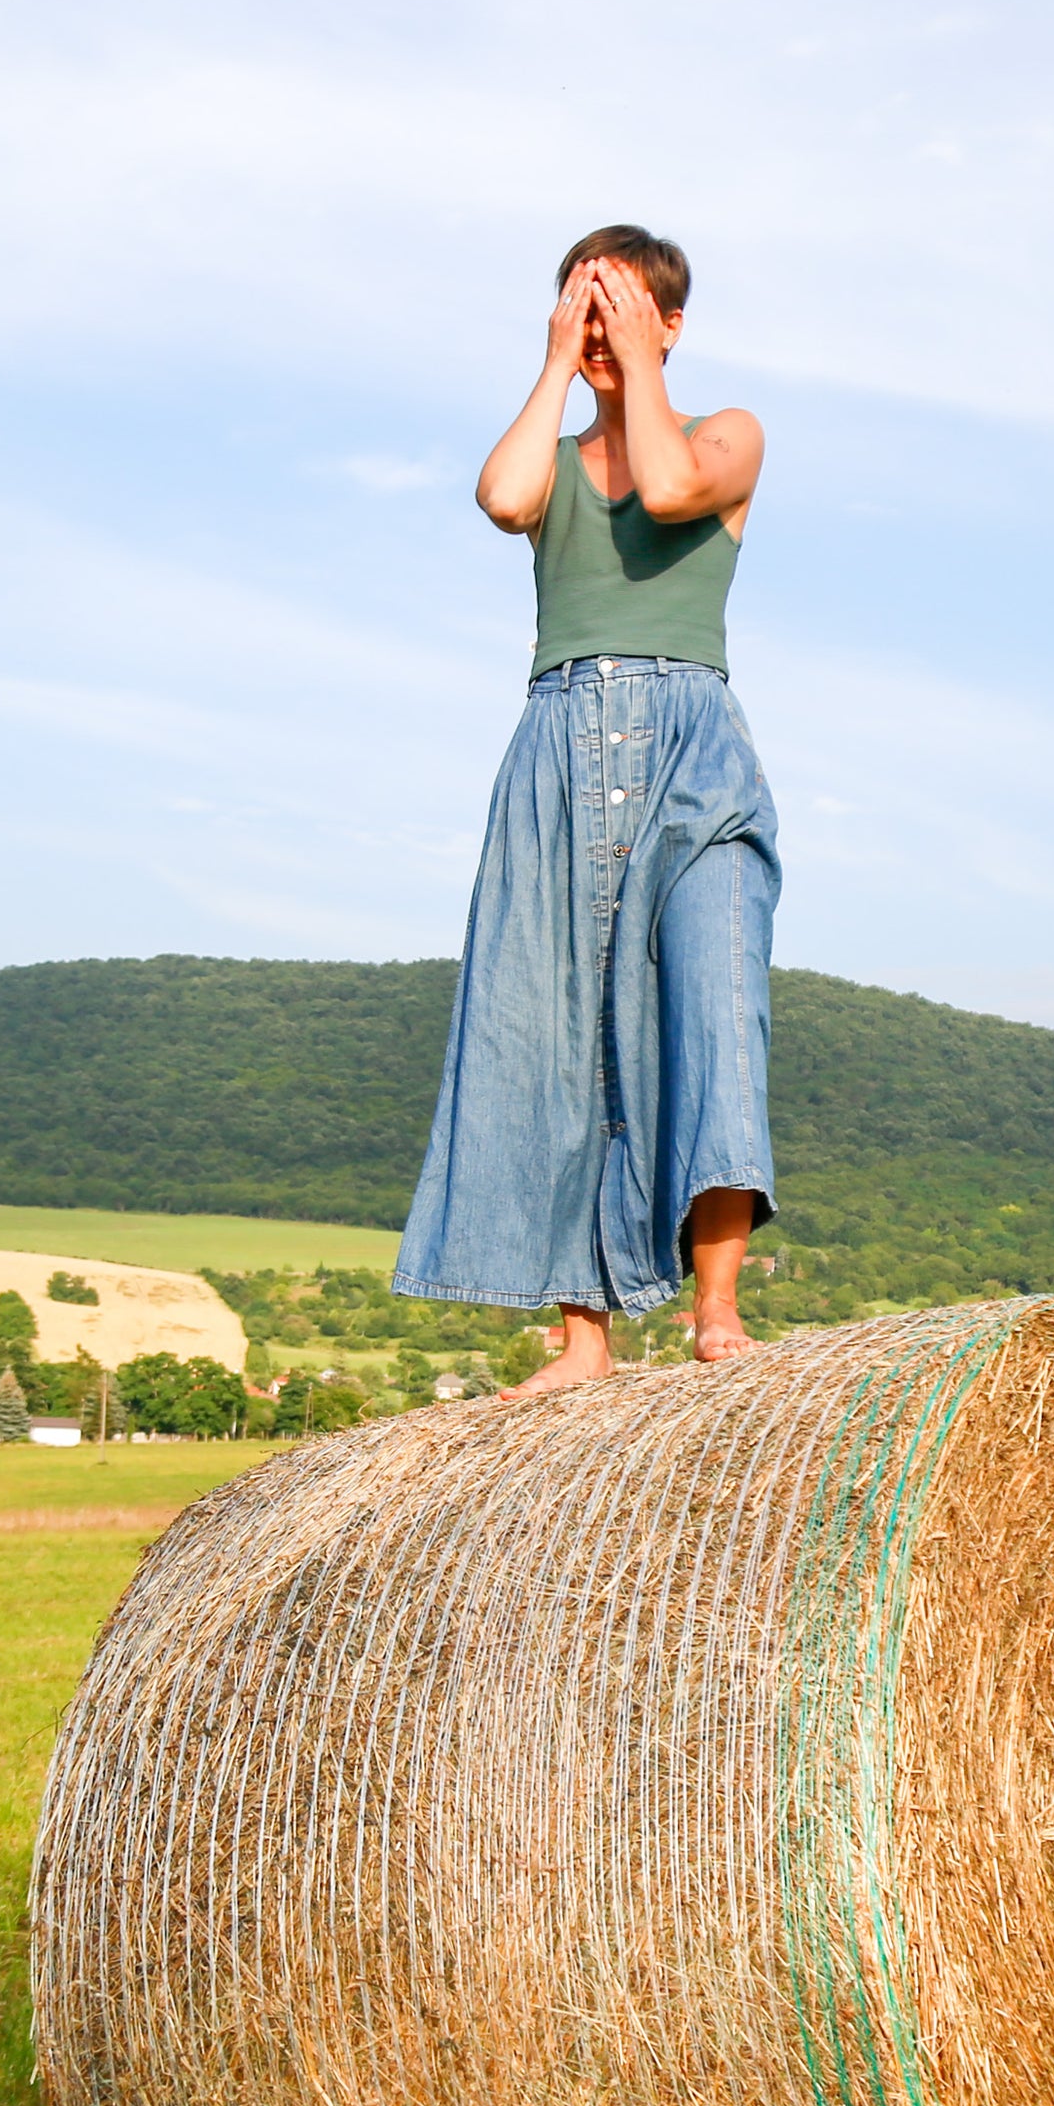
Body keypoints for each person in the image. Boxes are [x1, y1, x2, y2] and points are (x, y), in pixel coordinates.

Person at [392, 225, 779, 1396]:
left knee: (712, 1011)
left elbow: (665, 487)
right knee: (558, 1038)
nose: (601, 328)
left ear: (670, 324)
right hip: (559, 748)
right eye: (582, 308)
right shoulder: (552, 461)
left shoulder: (727, 436)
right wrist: (561, 362)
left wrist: (638, 366)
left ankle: (714, 1308)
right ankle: (584, 1341)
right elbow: (499, 495)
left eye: (620, 310)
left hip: (688, 756)